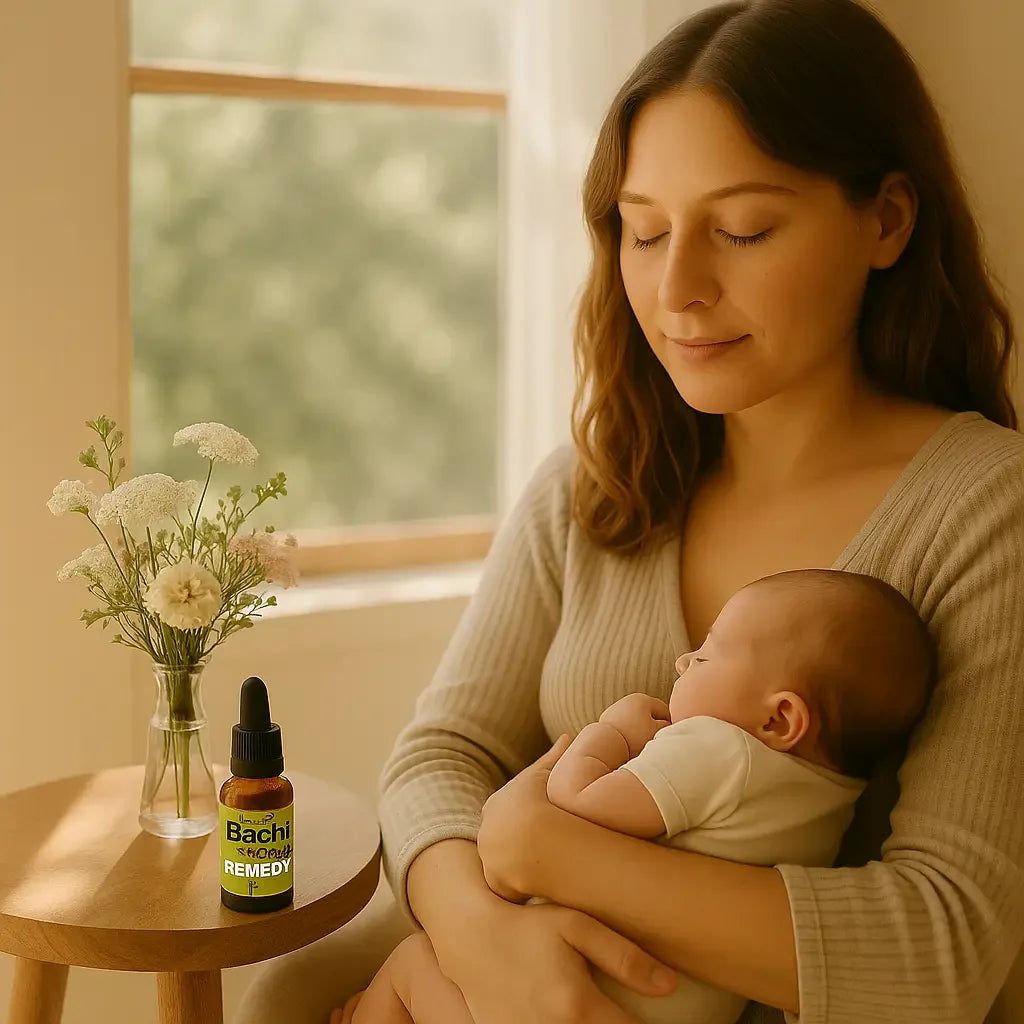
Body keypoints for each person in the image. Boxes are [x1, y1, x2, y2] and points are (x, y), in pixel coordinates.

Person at [232, 0, 1024, 1021]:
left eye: (741, 229)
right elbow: (442, 755)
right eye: (643, 231)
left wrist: (542, 847)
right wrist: (482, 932)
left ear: (886, 221)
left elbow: (940, 949)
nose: (677, 287)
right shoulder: (593, 485)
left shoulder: (986, 509)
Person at [335, 568, 940, 1024]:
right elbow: (442, 751)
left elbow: (580, 804)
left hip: (577, 989)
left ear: (779, 719)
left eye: (707, 655)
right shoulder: (831, 795)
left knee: (411, 964)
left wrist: (611, 733)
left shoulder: (718, 749)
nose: (682, 661)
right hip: (670, 1006)